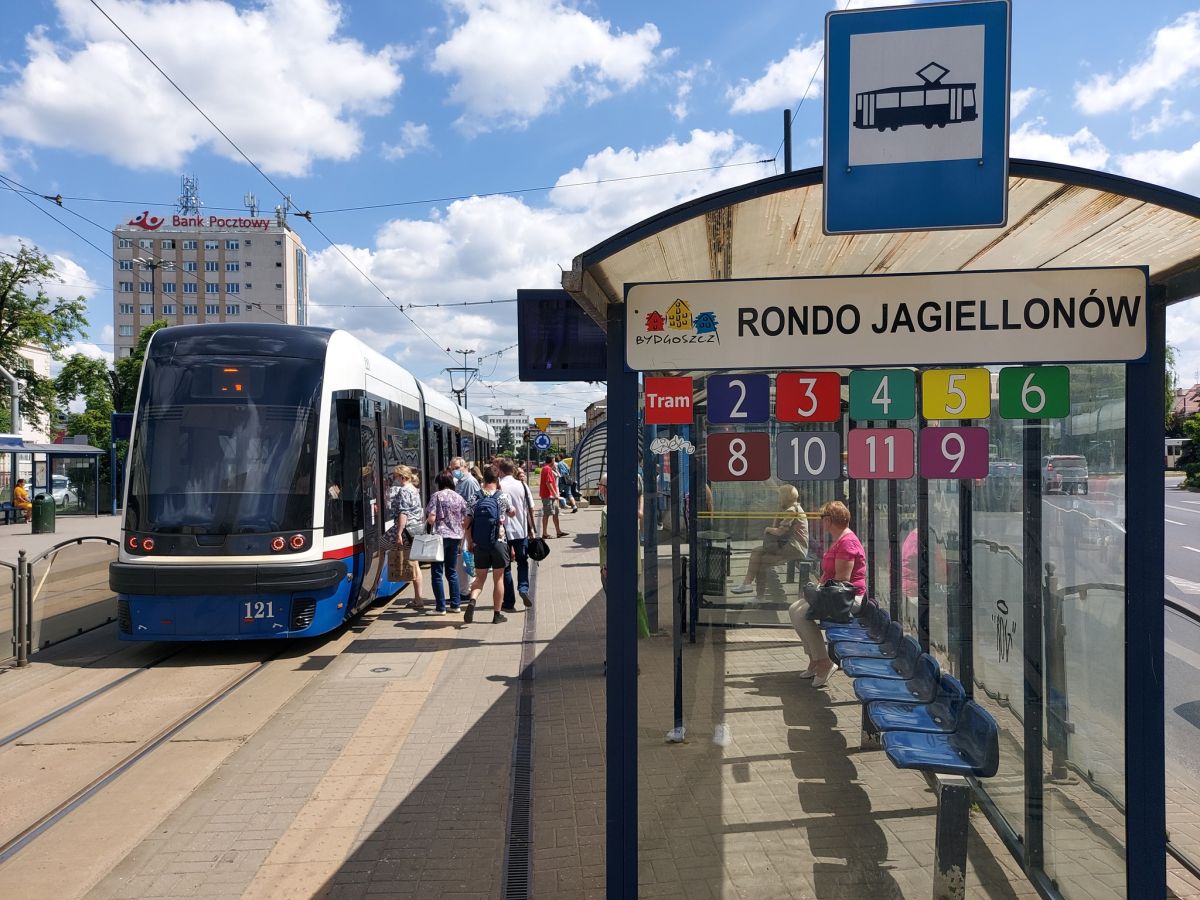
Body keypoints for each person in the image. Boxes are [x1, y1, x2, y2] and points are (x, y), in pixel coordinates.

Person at [787, 500, 867, 688]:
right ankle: (815, 659)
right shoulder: (839, 540)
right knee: (794, 609)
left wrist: (818, 594)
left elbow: (842, 580)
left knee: (801, 614)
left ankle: (824, 661)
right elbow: (829, 576)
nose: (821, 522)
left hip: (849, 599)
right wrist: (815, 591)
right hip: (835, 595)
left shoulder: (847, 543)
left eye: (823, 518)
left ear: (830, 520)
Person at [598, 471, 649, 675]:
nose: (600, 490)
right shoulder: (630, 508)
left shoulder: (608, 511)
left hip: (614, 570)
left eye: (601, 486)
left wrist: (607, 566)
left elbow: (610, 542)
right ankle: (628, 659)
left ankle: (617, 660)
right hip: (633, 567)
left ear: (607, 489)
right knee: (627, 614)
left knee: (616, 616)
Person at [731, 485, 809, 600]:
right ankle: (747, 584)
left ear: (784, 497)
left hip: (794, 548)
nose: (778, 498)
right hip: (787, 545)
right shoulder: (793, 508)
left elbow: (780, 531)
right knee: (756, 551)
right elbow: (777, 526)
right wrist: (778, 512)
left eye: (779, 496)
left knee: (762, 562)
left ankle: (759, 595)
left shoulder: (791, 511)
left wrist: (767, 529)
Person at [463, 466, 516, 624]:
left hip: (480, 543)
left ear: (483, 479)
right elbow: (512, 512)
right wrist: (509, 511)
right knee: (498, 579)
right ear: (497, 479)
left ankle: (472, 600)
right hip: (499, 542)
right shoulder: (502, 496)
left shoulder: (474, 497)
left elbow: (466, 522)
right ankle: (497, 614)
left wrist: (470, 541)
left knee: (479, 579)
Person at [425, 470, 468, 615]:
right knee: (452, 571)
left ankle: (440, 607)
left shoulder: (436, 496)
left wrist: (428, 522)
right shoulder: (459, 498)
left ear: (440, 483)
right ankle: (456, 605)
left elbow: (431, 518)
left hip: (439, 538)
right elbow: (464, 520)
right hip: (455, 537)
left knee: (437, 573)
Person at [499, 458, 535, 611]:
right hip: (521, 531)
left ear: (500, 470)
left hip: (504, 532)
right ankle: (523, 588)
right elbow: (530, 508)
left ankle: (509, 602)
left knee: (505, 567)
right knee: (522, 562)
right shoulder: (522, 485)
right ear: (513, 470)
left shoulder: (499, 486)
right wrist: (531, 528)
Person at [390, 465, 426, 611]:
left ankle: (418, 599)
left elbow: (403, 513)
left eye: (396, 477)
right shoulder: (414, 489)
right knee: (415, 564)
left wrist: (399, 532)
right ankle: (418, 598)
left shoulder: (404, 490)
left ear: (402, 477)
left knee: (413, 564)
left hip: (409, 530)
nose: (395, 480)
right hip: (417, 528)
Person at [539, 455, 568, 539]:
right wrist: (555, 494)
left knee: (555, 513)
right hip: (548, 495)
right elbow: (548, 483)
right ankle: (545, 533)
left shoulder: (547, 468)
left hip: (551, 495)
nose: (555, 462)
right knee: (547, 514)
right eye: (554, 460)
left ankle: (558, 532)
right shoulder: (547, 468)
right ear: (552, 460)